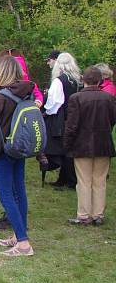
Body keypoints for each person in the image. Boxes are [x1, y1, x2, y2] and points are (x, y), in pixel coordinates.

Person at [0, 56, 37, 256]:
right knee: (19, 191)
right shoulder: (26, 93)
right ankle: (18, 234)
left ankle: (23, 243)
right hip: (19, 146)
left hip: (2, 148)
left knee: (6, 194)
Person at [63, 66, 116, 225]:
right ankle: (98, 215)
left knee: (84, 181)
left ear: (83, 79)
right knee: (100, 181)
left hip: (82, 144)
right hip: (103, 143)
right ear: (100, 80)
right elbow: (112, 119)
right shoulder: (108, 98)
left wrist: (67, 144)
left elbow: (71, 125)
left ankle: (84, 215)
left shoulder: (76, 98)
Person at [44, 52, 82, 190]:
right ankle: (63, 179)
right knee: (69, 149)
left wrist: (46, 112)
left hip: (62, 119)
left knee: (64, 150)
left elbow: (54, 103)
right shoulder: (78, 80)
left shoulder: (59, 80)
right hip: (76, 118)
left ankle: (71, 181)